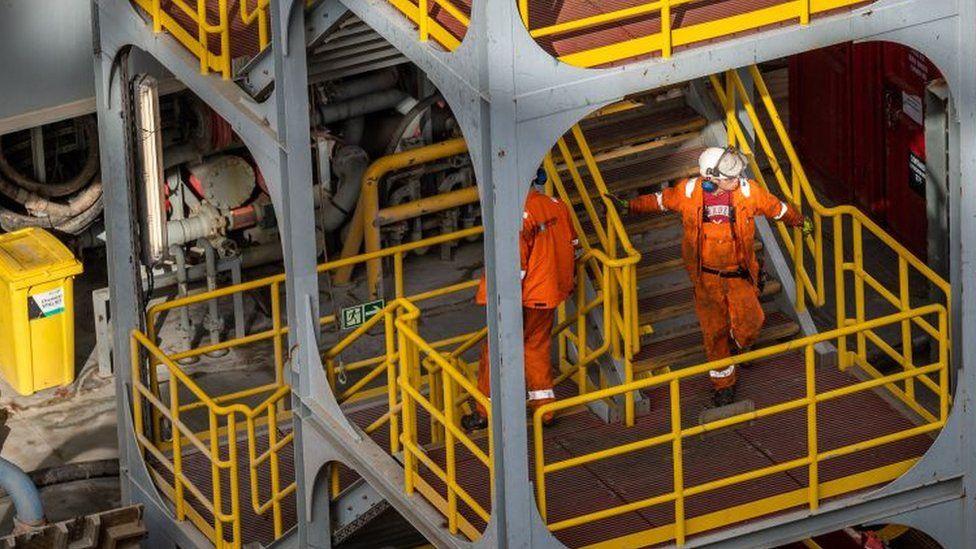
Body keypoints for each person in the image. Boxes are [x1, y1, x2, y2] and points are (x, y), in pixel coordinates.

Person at [606, 146, 813, 407]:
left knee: (752, 322)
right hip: (707, 280)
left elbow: (778, 209)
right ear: (709, 178)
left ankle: (740, 345)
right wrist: (629, 206)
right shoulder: (688, 192)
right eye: (729, 177)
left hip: (739, 275)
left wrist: (799, 220)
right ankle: (724, 385)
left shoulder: (748, 192)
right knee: (714, 333)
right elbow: (660, 200)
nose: (735, 180)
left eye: (736, 175)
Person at [461, 167, 580, 431]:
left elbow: (514, 267)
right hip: (548, 296)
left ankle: (484, 412)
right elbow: (573, 246)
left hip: (522, 298)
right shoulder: (556, 205)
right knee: (536, 348)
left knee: (495, 352)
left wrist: (502, 300)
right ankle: (545, 410)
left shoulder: (516, 216)